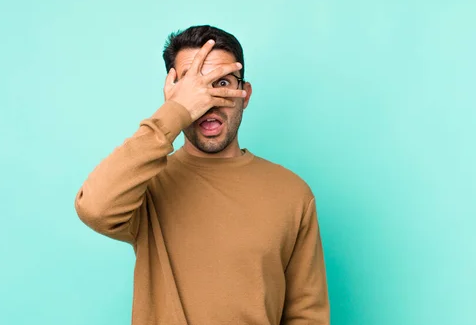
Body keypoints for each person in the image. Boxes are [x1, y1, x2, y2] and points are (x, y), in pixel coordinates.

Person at [74, 25, 330, 325]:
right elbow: (95, 209)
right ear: (174, 93)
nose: (208, 100)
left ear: (245, 94)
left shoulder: (292, 193)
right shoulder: (147, 184)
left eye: (222, 82)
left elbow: (306, 314)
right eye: (194, 86)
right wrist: (174, 112)